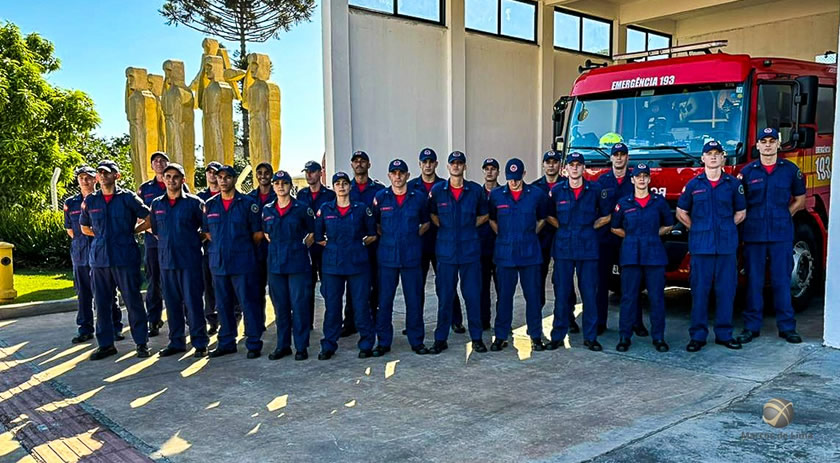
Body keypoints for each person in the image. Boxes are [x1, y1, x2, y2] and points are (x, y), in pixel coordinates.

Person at [737, 128, 806, 344]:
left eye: (772, 141)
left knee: (781, 281)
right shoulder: (747, 173)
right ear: (757, 145)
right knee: (754, 282)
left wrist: (785, 215)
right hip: (754, 234)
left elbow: (800, 200)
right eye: (764, 141)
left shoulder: (790, 170)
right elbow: (740, 204)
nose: (768, 145)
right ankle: (751, 327)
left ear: (778, 144)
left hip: (781, 234)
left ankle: (787, 327)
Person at [676, 141, 746, 352]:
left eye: (717, 153)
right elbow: (681, 212)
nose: (713, 157)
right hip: (701, 248)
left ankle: (724, 335)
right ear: (703, 158)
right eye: (709, 153)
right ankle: (697, 336)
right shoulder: (693, 185)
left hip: (725, 247)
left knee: (726, 291)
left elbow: (741, 213)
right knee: (700, 292)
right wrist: (697, 228)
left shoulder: (733, 184)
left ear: (723, 158)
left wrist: (724, 228)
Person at [80, 160, 151, 360]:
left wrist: (133, 231)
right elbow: (84, 227)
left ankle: (141, 343)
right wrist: (102, 237)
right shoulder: (91, 201)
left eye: (107, 172)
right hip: (100, 260)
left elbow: (149, 218)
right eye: (100, 173)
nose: (103, 176)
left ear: (116, 176)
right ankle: (106, 345)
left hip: (125, 257)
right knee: (102, 303)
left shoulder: (128, 198)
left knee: (133, 301)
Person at [546, 152, 611, 352]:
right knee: (562, 294)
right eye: (571, 165)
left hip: (588, 248)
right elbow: (548, 215)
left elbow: (607, 215)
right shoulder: (557, 190)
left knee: (589, 294)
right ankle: (557, 335)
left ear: (583, 168)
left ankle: (590, 337)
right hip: (564, 248)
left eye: (578, 165)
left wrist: (590, 228)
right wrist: (564, 228)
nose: (575, 168)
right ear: (565, 168)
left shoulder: (595, 190)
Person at [428, 151, 490, 354]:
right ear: (447, 167)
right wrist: (447, 228)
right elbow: (432, 214)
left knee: (472, 296)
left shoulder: (475, 190)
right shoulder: (438, 191)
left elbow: (484, 215)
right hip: (446, 252)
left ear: (465, 166)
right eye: (453, 163)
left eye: (459, 163)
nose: (456, 166)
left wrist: (467, 227)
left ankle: (477, 338)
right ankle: (440, 338)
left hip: (469, 251)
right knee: (445, 297)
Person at [202, 165, 266, 359]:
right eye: (220, 177)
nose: (223, 180)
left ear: (234, 179)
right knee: (223, 305)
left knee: (248, 303)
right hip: (219, 264)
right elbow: (207, 233)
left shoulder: (248, 204)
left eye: (227, 177)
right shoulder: (210, 205)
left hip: (243, 262)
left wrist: (239, 247)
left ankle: (253, 343)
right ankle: (226, 342)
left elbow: (257, 234)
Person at [610, 163, 674, 352]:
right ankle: (624, 336)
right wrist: (632, 237)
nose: (642, 180)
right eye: (638, 176)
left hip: (654, 255)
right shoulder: (624, 203)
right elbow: (615, 227)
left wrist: (652, 235)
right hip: (631, 255)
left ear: (649, 179)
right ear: (632, 180)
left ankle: (658, 337)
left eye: (645, 176)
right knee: (628, 297)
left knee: (656, 298)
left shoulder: (658, 202)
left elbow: (669, 224)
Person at [314, 171, 378, 359]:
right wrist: (335, 247)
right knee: (332, 307)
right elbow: (318, 237)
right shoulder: (325, 209)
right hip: (332, 265)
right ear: (333, 187)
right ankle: (329, 344)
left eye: (344, 183)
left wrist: (356, 245)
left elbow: (372, 234)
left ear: (350, 187)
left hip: (357, 263)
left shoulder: (361, 208)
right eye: (337, 183)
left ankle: (366, 343)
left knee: (361, 305)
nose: (341, 187)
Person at [372, 159, 431, 356]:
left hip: (411, 257)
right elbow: (376, 225)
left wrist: (411, 237)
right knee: (384, 301)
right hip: (387, 258)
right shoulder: (381, 197)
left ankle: (416, 340)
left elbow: (426, 223)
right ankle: (383, 342)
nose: (398, 176)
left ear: (407, 175)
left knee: (414, 300)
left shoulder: (418, 198)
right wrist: (390, 239)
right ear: (389, 176)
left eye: (401, 173)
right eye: (394, 173)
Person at [149, 163, 209, 357]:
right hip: (167, 262)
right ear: (163, 179)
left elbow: (206, 229)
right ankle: (176, 342)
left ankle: (200, 343)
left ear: (183, 180)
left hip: (190, 261)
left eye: (176, 177)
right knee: (172, 304)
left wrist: (191, 241)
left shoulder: (194, 203)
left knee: (193, 303)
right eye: (168, 176)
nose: (171, 180)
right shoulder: (157, 204)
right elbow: (156, 231)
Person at [488, 158, 548, 352]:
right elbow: (491, 219)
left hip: (530, 253)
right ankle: (501, 335)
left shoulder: (536, 194)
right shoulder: (496, 195)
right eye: (510, 178)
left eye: (517, 178)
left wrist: (529, 234)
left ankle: (536, 336)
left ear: (523, 175)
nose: (513, 182)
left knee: (533, 296)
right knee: (504, 297)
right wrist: (504, 236)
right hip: (505, 253)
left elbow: (542, 218)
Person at [406, 148, 465, 334]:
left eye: (431, 161)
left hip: (442, 243)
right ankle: (414, 323)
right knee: (416, 286)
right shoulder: (411, 186)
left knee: (446, 285)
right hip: (419, 244)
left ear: (437, 164)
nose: (428, 165)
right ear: (420, 164)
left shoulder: (444, 186)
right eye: (424, 162)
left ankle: (455, 320)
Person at [64, 166, 123, 344]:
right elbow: (70, 229)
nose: (84, 181)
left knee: (107, 292)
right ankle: (85, 328)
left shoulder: (101, 199)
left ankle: (114, 327)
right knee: (83, 293)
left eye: (88, 177)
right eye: (81, 178)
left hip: (102, 253)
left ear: (95, 179)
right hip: (81, 254)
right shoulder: (70, 203)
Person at [262, 170, 315, 361]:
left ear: (290, 186)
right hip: (276, 265)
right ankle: (283, 345)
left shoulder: (302, 208)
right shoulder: (267, 209)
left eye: (284, 183)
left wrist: (299, 248)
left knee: (299, 306)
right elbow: (266, 234)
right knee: (280, 308)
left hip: (297, 265)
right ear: (273, 186)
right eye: (277, 183)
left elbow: (312, 233)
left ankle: (301, 346)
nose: (281, 186)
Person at [596, 143, 646, 336]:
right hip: (605, 239)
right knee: (601, 283)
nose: (618, 158)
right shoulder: (602, 181)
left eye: (622, 154)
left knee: (632, 283)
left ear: (627, 158)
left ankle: (636, 322)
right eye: (615, 154)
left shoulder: (635, 179)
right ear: (611, 158)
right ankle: (600, 322)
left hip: (628, 239)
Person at [531, 150, 579, 333]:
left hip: (563, 239)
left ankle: (568, 317)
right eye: (548, 162)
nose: (551, 165)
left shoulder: (568, 185)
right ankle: (535, 319)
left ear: (560, 165)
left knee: (563, 280)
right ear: (543, 165)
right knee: (537, 280)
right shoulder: (534, 188)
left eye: (554, 162)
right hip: (541, 239)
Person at [344, 150, 385, 337]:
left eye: (363, 161)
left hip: (374, 245)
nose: (359, 164)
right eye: (356, 161)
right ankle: (350, 322)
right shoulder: (346, 188)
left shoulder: (379, 190)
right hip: (352, 246)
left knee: (375, 284)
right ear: (352, 165)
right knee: (352, 285)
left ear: (369, 165)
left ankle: (374, 318)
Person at [295, 160, 336, 329]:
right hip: (307, 246)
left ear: (320, 173)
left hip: (324, 246)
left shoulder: (330, 195)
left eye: (312, 171)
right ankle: (307, 323)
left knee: (328, 287)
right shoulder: (301, 195)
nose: (309, 175)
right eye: (307, 172)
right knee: (306, 286)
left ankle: (332, 323)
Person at [137, 151, 170, 336]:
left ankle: (183, 318)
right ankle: (154, 320)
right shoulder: (145, 189)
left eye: (162, 160)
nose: (159, 163)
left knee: (175, 282)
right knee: (154, 282)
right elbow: (139, 216)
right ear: (151, 166)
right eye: (155, 161)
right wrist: (155, 233)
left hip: (173, 244)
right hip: (153, 244)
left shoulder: (178, 184)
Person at [197, 161, 224, 334]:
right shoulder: (200, 198)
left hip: (228, 249)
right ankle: (212, 320)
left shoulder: (229, 194)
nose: (212, 175)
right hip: (208, 249)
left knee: (226, 286)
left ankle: (231, 317)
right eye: (209, 172)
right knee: (209, 285)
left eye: (216, 172)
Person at [248, 161, 277, 316]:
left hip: (274, 249)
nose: (263, 176)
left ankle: (282, 322)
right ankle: (258, 323)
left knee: (276, 290)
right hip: (255, 249)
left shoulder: (279, 195)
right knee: (256, 289)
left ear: (271, 175)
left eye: (266, 173)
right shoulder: (249, 198)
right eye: (260, 173)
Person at [479, 158, 500, 330]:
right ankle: (483, 321)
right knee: (482, 288)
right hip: (481, 248)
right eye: (487, 169)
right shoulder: (476, 193)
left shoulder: (504, 193)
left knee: (503, 289)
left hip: (500, 248)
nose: (490, 172)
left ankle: (502, 323)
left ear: (498, 172)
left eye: (493, 169)